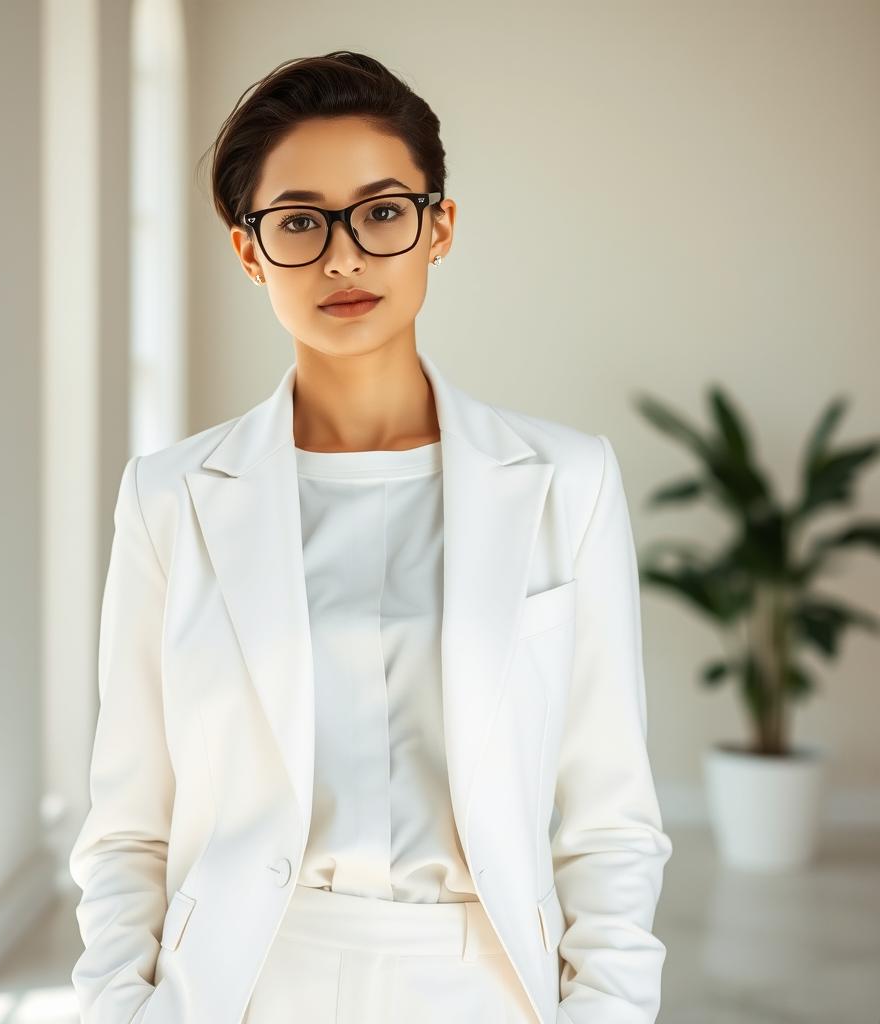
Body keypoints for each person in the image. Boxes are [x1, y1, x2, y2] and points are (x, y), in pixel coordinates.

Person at [69, 50, 673, 1024]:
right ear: (248, 251)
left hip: (485, 979)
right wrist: (116, 1007)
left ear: (439, 229)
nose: (342, 255)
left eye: (382, 211)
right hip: (240, 983)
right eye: (299, 221)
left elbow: (610, 816)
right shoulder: (170, 498)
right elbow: (129, 820)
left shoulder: (567, 481)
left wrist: (606, 1009)